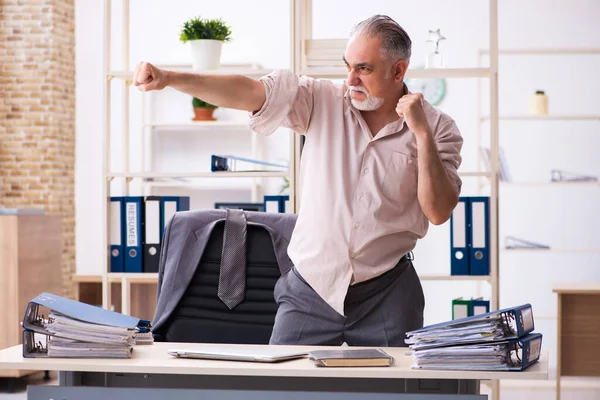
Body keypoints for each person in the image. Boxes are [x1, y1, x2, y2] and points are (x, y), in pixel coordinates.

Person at [133, 15, 463, 347]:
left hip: (387, 292)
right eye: (347, 66)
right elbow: (249, 92)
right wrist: (170, 78)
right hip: (311, 289)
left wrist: (421, 135)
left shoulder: (438, 129)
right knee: (282, 386)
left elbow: (437, 211)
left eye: (364, 69)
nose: (351, 79)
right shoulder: (321, 100)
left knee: (394, 392)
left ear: (398, 70)